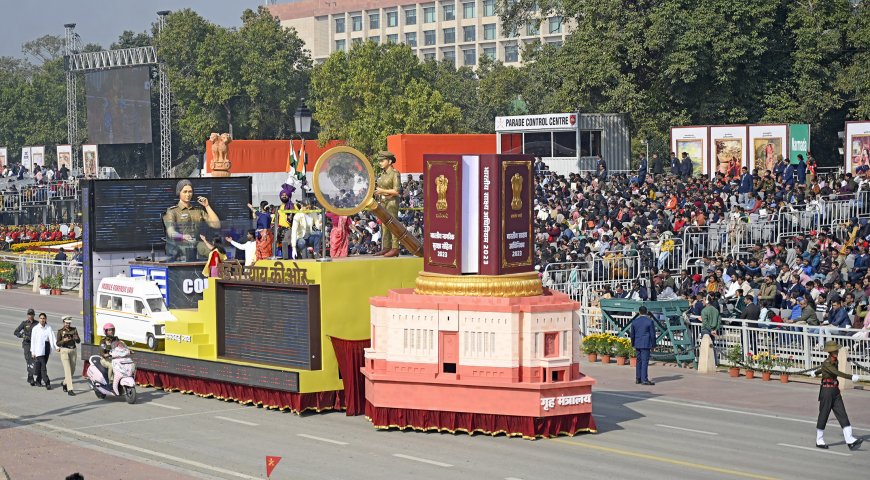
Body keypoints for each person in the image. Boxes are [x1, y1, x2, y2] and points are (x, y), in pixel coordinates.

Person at [811, 341, 864, 450]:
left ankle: (850, 440)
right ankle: (819, 440)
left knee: (842, 413)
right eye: (834, 351)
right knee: (824, 414)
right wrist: (851, 377)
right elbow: (836, 373)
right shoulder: (827, 362)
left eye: (836, 350)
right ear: (830, 352)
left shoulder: (834, 361)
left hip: (835, 391)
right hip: (826, 391)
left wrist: (815, 373)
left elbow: (824, 369)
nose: (836, 352)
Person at [163, 179, 221, 261]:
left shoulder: (198, 210)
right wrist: (183, 237)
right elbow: (171, 233)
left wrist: (207, 206)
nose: (188, 194)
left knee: (215, 254)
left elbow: (216, 225)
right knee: (188, 255)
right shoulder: (172, 211)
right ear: (179, 193)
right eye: (185, 191)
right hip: (180, 245)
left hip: (196, 243)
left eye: (190, 191)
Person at [373, 151, 402, 257]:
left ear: (389, 161)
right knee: (384, 225)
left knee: (393, 224)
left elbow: (397, 191)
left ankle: (395, 247)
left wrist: (381, 190)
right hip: (383, 201)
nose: (380, 163)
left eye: (382, 160)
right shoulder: (383, 174)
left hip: (392, 202)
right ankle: (386, 247)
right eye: (379, 161)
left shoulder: (395, 173)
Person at [30, 312, 57, 390]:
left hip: (47, 348)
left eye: (43, 318)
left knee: (42, 366)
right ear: (39, 319)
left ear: (46, 319)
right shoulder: (35, 328)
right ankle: (47, 382)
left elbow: (53, 338)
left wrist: (56, 347)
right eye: (41, 318)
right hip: (39, 349)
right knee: (43, 367)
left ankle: (38, 380)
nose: (42, 320)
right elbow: (33, 341)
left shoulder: (48, 327)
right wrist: (33, 352)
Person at [630, 306, 656, 386]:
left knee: (639, 361)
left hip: (637, 342)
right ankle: (644, 379)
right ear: (646, 312)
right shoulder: (650, 321)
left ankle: (638, 378)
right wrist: (653, 345)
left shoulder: (634, 322)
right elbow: (652, 334)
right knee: (645, 361)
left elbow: (632, 335)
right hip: (646, 343)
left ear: (639, 312)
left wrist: (633, 343)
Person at [56, 315, 80, 395]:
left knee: (72, 370)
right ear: (63, 322)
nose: (68, 325)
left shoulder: (74, 329)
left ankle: (64, 383)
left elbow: (78, 341)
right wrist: (64, 340)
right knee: (67, 370)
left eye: (69, 323)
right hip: (64, 350)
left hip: (73, 350)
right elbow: (58, 343)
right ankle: (70, 389)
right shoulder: (60, 331)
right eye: (66, 323)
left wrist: (75, 337)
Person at [13, 308, 38, 385]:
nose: (30, 316)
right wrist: (22, 335)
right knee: (29, 360)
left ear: (34, 315)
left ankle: (30, 377)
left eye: (32, 314)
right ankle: (31, 378)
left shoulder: (37, 323)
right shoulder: (24, 323)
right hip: (27, 344)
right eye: (29, 314)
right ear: (27, 315)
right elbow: (16, 332)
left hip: (35, 344)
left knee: (34, 360)